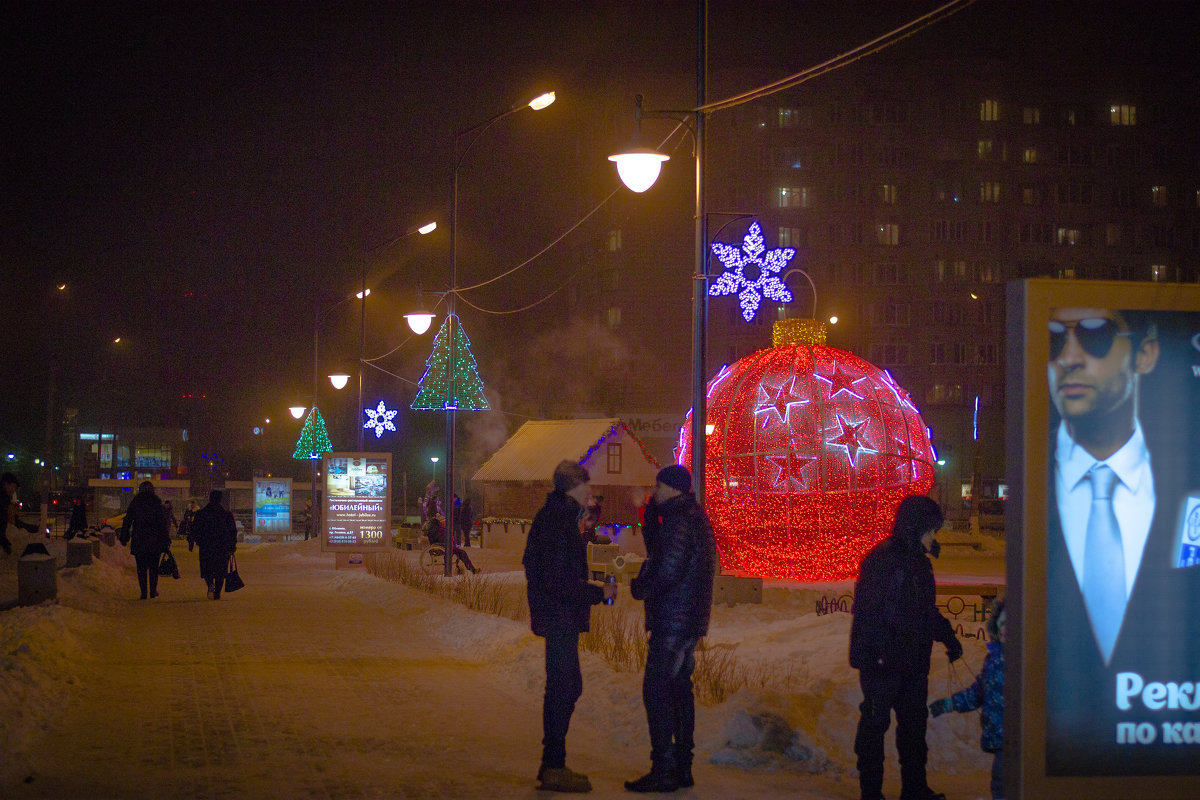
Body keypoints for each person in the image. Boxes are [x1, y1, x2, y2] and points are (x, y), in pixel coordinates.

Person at [1044, 306, 1200, 775]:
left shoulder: (1189, 486)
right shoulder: (1034, 491)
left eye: (1095, 336)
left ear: (1146, 353)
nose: (1068, 356)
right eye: (1054, 339)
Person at [849, 495, 961, 800]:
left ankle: (914, 789)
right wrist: (878, 655)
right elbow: (869, 614)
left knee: (913, 729)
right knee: (875, 725)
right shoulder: (884, 561)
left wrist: (947, 636)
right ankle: (871, 793)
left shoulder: (918, 564)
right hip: (883, 663)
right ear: (916, 528)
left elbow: (923, 610)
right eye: (931, 530)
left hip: (911, 662)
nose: (934, 537)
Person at [522, 460, 616, 793]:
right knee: (564, 687)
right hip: (557, 614)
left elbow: (549, 571)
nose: (590, 490)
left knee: (566, 686)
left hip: (558, 613)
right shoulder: (557, 521)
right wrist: (597, 592)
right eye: (585, 484)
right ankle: (553, 766)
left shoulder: (560, 517)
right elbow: (556, 578)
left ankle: (553, 764)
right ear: (573, 487)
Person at [625, 464, 717, 793]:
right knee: (678, 691)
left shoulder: (680, 523)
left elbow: (667, 568)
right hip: (686, 620)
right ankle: (682, 766)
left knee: (657, 691)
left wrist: (640, 586)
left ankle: (664, 768)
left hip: (674, 622)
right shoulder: (688, 517)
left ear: (673, 489)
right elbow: (662, 553)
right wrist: (650, 521)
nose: (655, 491)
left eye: (659, 486)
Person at [929, 597, 1006, 800]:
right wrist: (950, 704)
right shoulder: (994, 661)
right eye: (1002, 624)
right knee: (1000, 785)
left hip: (1024, 741)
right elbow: (977, 693)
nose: (1007, 629)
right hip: (1002, 741)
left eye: (1012, 624)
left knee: (1017, 786)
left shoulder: (1028, 660)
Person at [119, 481, 171, 600]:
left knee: (141, 568)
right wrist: (165, 539)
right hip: (154, 540)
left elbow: (127, 520)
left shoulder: (136, 502)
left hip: (140, 539)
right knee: (153, 567)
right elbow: (162, 523)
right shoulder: (156, 502)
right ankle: (152, 590)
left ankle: (143, 592)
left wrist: (124, 537)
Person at [189, 490, 238, 599]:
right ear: (220, 499)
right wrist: (232, 544)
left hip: (206, 546)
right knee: (221, 571)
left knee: (207, 569)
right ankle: (217, 593)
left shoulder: (201, 514)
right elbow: (232, 531)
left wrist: (198, 541)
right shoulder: (226, 515)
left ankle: (210, 584)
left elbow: (195, 529)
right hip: (222, 546)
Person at [2, 472, 39, 555]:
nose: (13, 490)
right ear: (6, 484)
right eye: (13, 487)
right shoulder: (3, 499)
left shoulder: (6, 498)